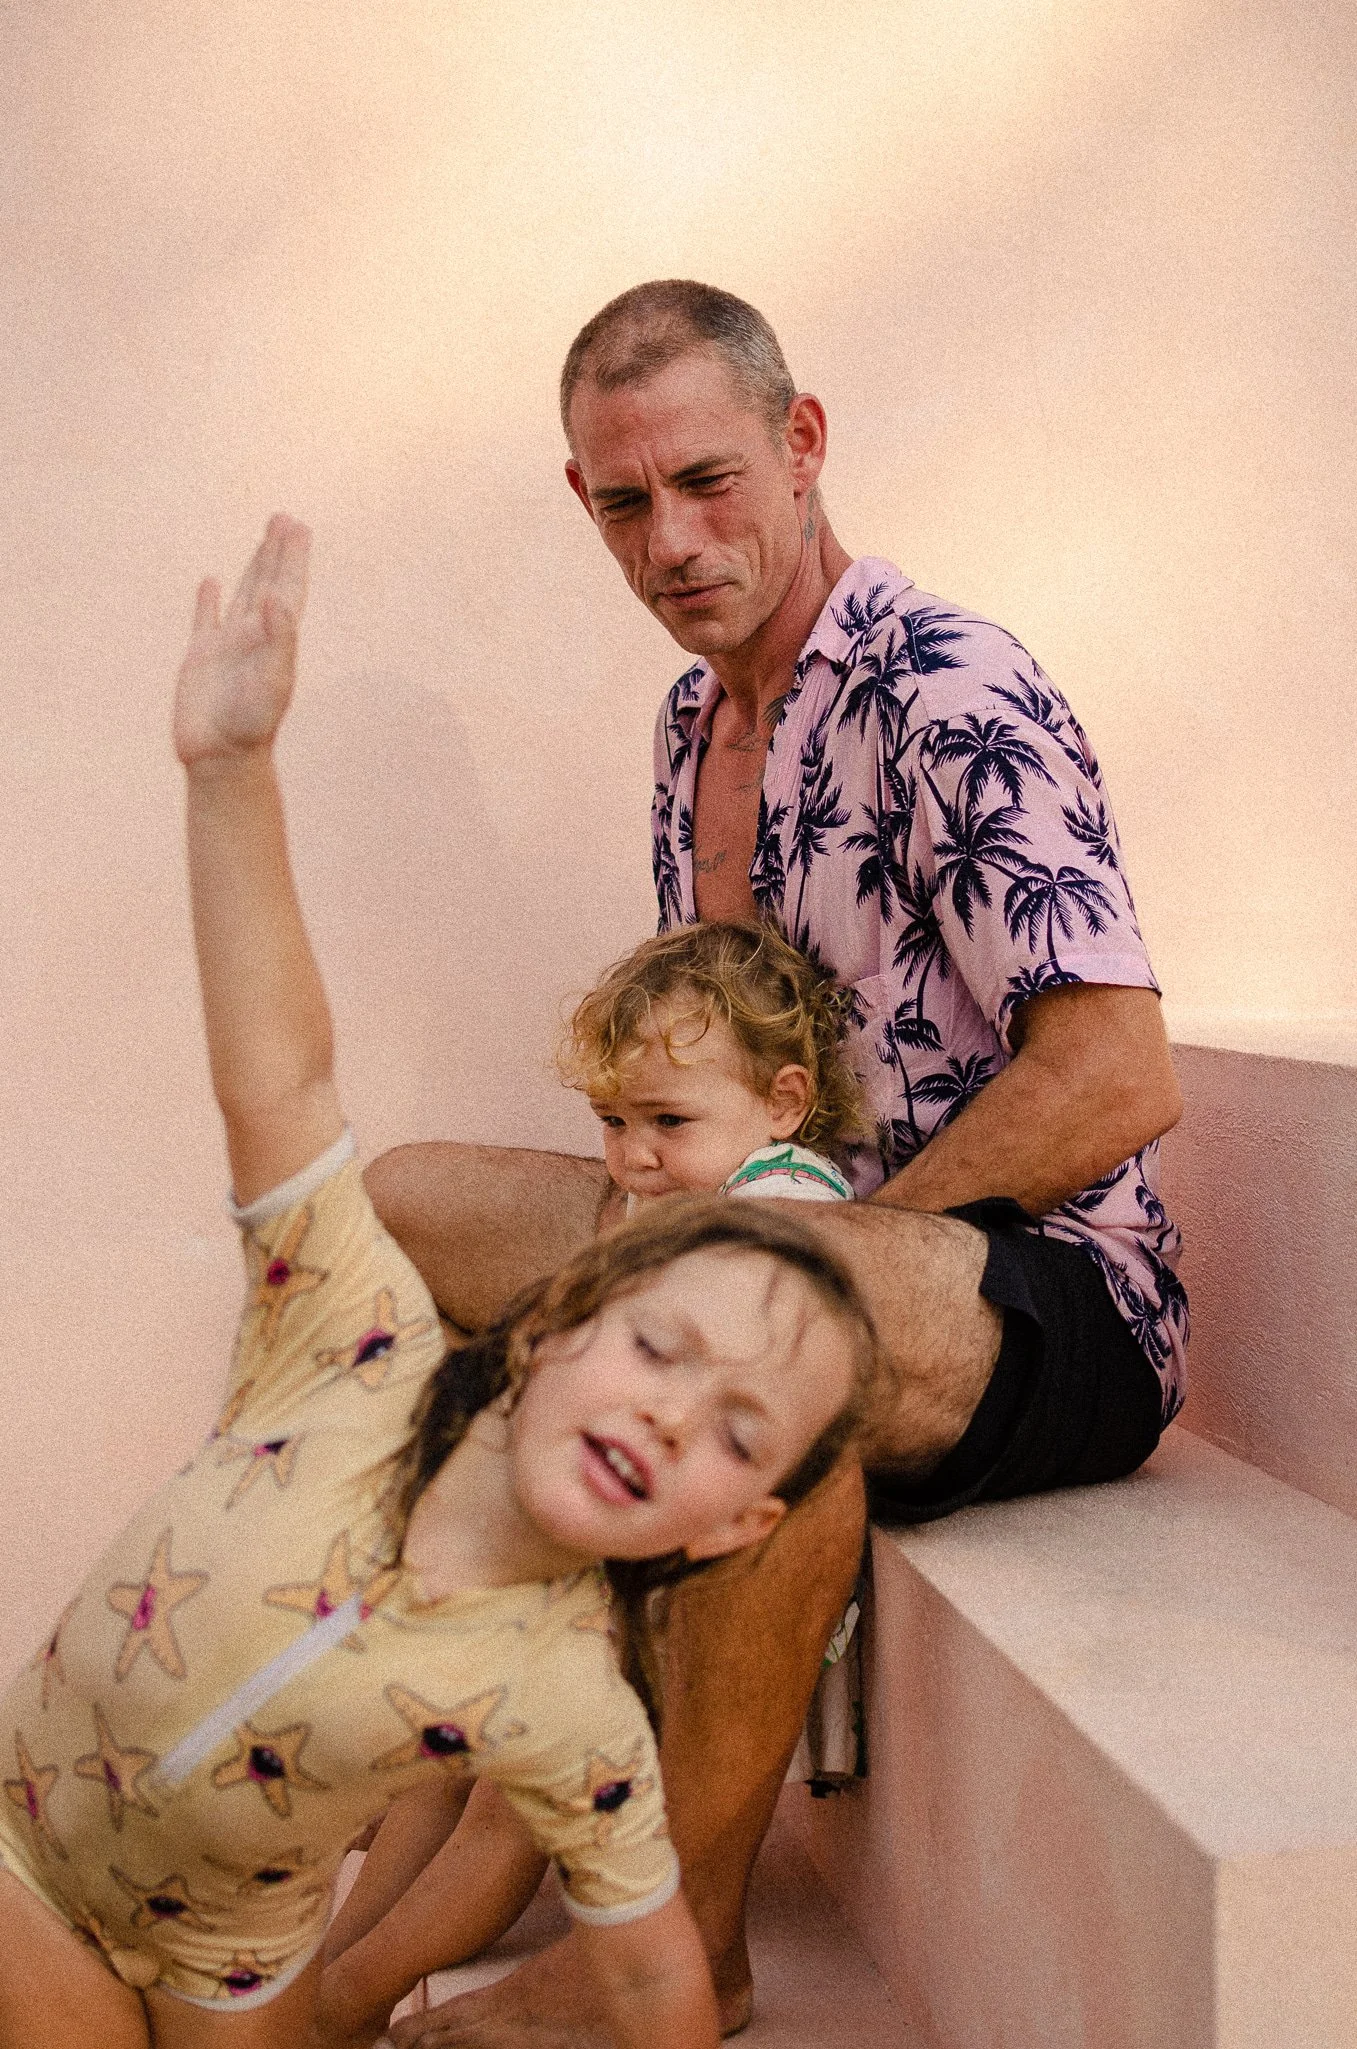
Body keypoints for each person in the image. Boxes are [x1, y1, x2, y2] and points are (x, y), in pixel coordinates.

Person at [364, 280, 1187, 2047]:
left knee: (729, 1337)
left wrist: (802, 1262)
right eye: (624, 502)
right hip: (795, 1236)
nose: (673, 540)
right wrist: (722, 1231)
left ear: (803, 447)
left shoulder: (942, 687)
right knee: (400, 1204)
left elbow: (1117, 1078)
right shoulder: (694, 733)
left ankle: (685, 1957)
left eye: (709, 481)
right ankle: (408, 1809)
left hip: (1047, 1294)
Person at [0, 519, 884, 2049]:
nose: (679, 1418)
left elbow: (660, 1975)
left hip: (233, 1974)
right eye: (661, 1348)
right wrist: (229, 777)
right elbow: (280, 1073)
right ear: (556, 1319)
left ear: (739, 1526)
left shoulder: (564, 1702)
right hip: (25, 1863)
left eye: (741, 1435)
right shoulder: (349, 1344)